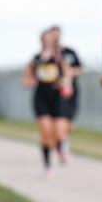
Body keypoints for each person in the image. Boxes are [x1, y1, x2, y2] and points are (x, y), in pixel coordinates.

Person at [23, 29, 74, 175]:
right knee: (46, 132)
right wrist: (30, 81)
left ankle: (60, 146)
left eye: (49, 39)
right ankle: (47, 165)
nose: (47, 42)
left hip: (57, 97)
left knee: (59, 131)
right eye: (44, 39)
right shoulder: (36, 59)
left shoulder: (59, 59)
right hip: (41, 97)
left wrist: (66, 82)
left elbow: (68, 73)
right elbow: (26, 78)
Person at [48, 26, 83, 162]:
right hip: (57, 94)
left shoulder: (69, 52)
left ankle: (61, 142)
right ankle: (62, 146)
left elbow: (80, 69)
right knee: (59, 123)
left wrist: (70, 73)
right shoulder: (47, 55)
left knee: (69, 124)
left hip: (72, 91)